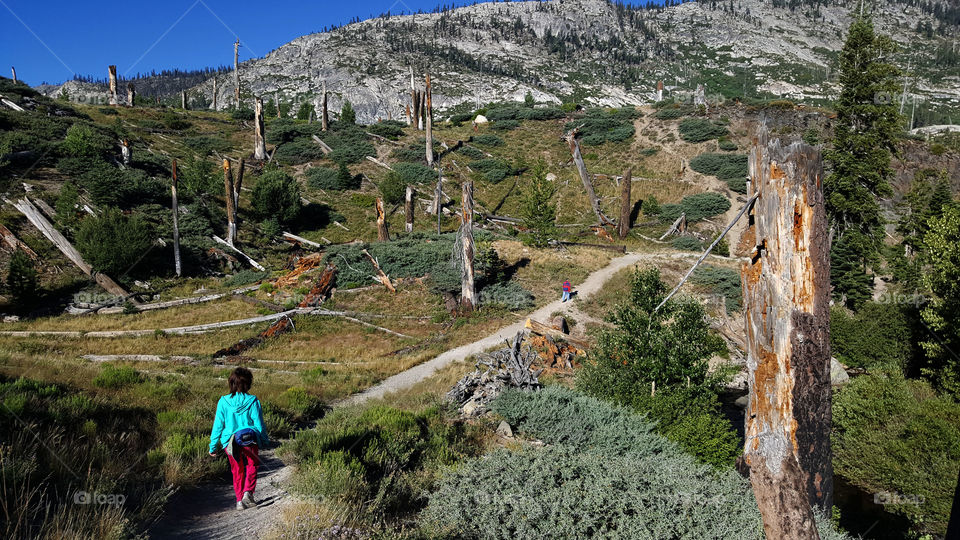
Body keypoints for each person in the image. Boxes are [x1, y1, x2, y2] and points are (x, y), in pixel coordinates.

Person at [209, 367, 269, 511]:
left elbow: (218, 425)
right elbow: (259, 424)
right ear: (248, 383)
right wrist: (264, 440)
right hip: (249, 438)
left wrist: (213, 445)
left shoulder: (223, 401)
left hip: (229, 441)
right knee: (252, 465)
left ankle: (239, 501)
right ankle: (248, 492)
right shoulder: (253, 401)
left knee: (237, 470)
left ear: (231, 383)